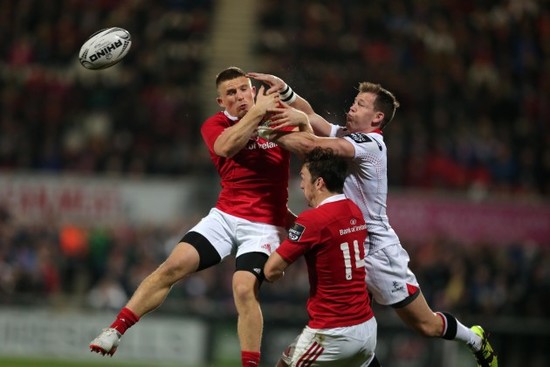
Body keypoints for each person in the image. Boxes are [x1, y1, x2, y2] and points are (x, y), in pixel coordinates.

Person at [247, 72, 498, 367]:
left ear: (377, 117)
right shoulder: (347, 134)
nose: (353, 106)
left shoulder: (372, 145)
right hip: (349, 239)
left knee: (425, 325)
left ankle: (475, 339)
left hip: (378, 250)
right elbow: (311, 115)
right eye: (354, 101)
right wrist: (287, 92)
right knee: (348, 321)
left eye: (361, 104)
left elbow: (314, 146)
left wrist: (261, 130)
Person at [89, 67, 302, 367]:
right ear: (220, 102)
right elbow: (227, 147)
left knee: (243, 289)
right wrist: (259, 113)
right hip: (225, 217)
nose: (240, 96)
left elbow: (309, 122)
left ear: (253, 90)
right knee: (172, 266)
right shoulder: (214, 125)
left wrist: (290, 100)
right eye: (231, 93)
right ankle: (116, 329)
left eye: (244, 89)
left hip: (263, 226)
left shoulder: (277, 116)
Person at [264, 147, 379, 367]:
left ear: (319, 183)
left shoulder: (314, 220)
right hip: (366, 327)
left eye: (303, 178)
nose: (300, 185)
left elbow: (271, 270)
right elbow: (320, 233)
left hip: (333, 333)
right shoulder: (354, 210)